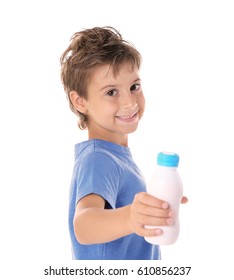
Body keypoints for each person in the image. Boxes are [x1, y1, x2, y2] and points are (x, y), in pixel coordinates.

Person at [60, 26, 188, 260]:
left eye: (134, 87)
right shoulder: (98, 157)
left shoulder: (115, 156)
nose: (130, 102)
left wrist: (154, 207)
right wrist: (132, 217)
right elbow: (84, 226)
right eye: (111, 92)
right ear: (80, 101)